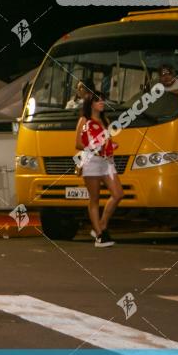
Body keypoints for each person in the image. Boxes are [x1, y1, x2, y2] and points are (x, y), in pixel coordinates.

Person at [75, 89, 123, 248]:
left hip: (107, 162)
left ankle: (101, 225)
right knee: (94, 199)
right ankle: (100, 236)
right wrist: (96, 148)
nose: (102, 102)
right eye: (98, 100)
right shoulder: (84, 121)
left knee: (118, 194)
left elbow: (107, 141)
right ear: (91, 104)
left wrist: (111, 146)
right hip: (92, 162)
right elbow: (78, 144)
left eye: (103, 100)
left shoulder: (105, 120)